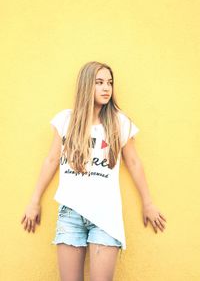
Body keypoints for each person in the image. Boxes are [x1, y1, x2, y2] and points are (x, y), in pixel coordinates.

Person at [20, 61, 167, 281]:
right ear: (86, 85)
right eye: (99, 83)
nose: (106, 88)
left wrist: (148, 203)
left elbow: (134, 163)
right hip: (69, 214)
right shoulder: (66, 120)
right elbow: (51, 160)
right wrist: (34, 202)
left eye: (109, 83)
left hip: (105, 215)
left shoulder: (119, 122)